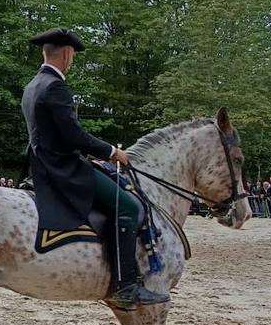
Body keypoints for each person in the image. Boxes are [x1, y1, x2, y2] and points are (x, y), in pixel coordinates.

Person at [22, 28, 166, 309]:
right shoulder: (56, 86)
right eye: (72, 55)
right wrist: (113, 152)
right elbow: (73, 135)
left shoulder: (33, 85)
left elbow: (55, 134)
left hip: (43, 163)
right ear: (66, 54)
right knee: (128, 207)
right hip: (63, 168)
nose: (71, 60)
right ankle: (125, 286)